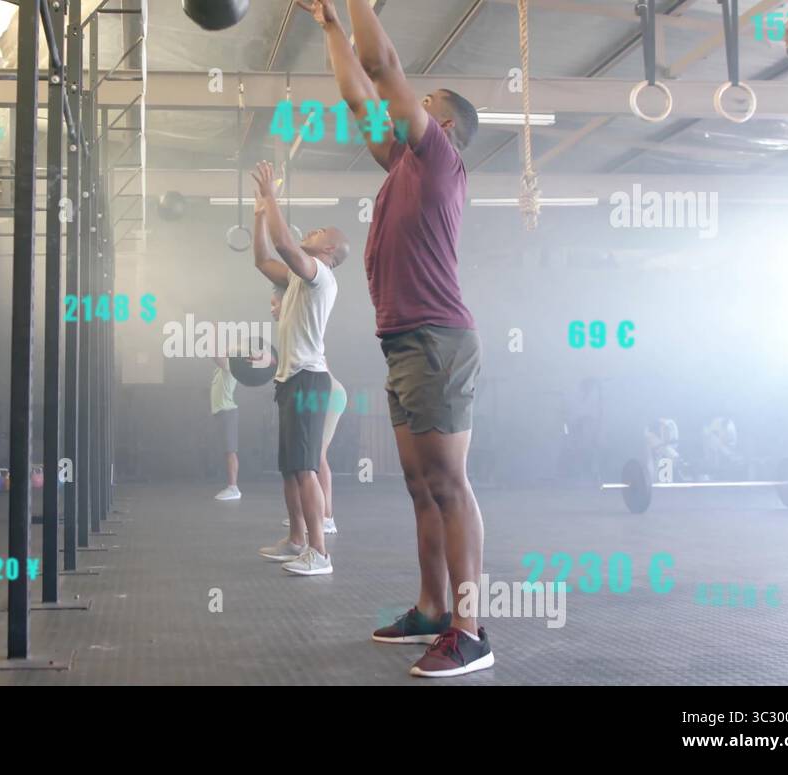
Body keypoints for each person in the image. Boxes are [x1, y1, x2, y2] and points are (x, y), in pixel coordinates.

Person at [303, 0, 490, 677]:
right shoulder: (402, 167)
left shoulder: (438, 159)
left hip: (438, 341)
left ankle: (471, 629)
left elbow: (381, 66)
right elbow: (360, 94)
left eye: (425, 97)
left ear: (440, 124)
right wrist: (329, 22)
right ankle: (433, 610)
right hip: (405, 343)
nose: (411, 97)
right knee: (420, 485)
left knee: (449, 482)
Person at [247, 161, 348, 577]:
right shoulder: (295, 280)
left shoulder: (319, 275)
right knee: (290, 468)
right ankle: (295, 540)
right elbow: (262, 259)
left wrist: (271, 195)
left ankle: (319, 553)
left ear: (327, 251)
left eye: (319, 232)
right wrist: (258, 213)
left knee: (305, 467)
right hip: (290, 381)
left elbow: (286, 243)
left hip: (310, 379)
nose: (311, 232)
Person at [274, 285, 343, 535]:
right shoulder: (289, 332)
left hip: (330, 394)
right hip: (319, 391)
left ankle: (326, 517)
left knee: (315, 457)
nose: (272, 309)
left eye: (275, 304)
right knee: (306, 460)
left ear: (289, 302)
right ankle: (312, 517)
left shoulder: (301, 320)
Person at [211, 357, 241, 500]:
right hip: (222, 412)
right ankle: (231, 486)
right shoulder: (220, 370)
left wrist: (211, 335)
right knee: (227, 450)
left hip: (228, 411)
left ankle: (233, 488)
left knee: (230, 450)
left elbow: (216, 356)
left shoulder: (230, 365)